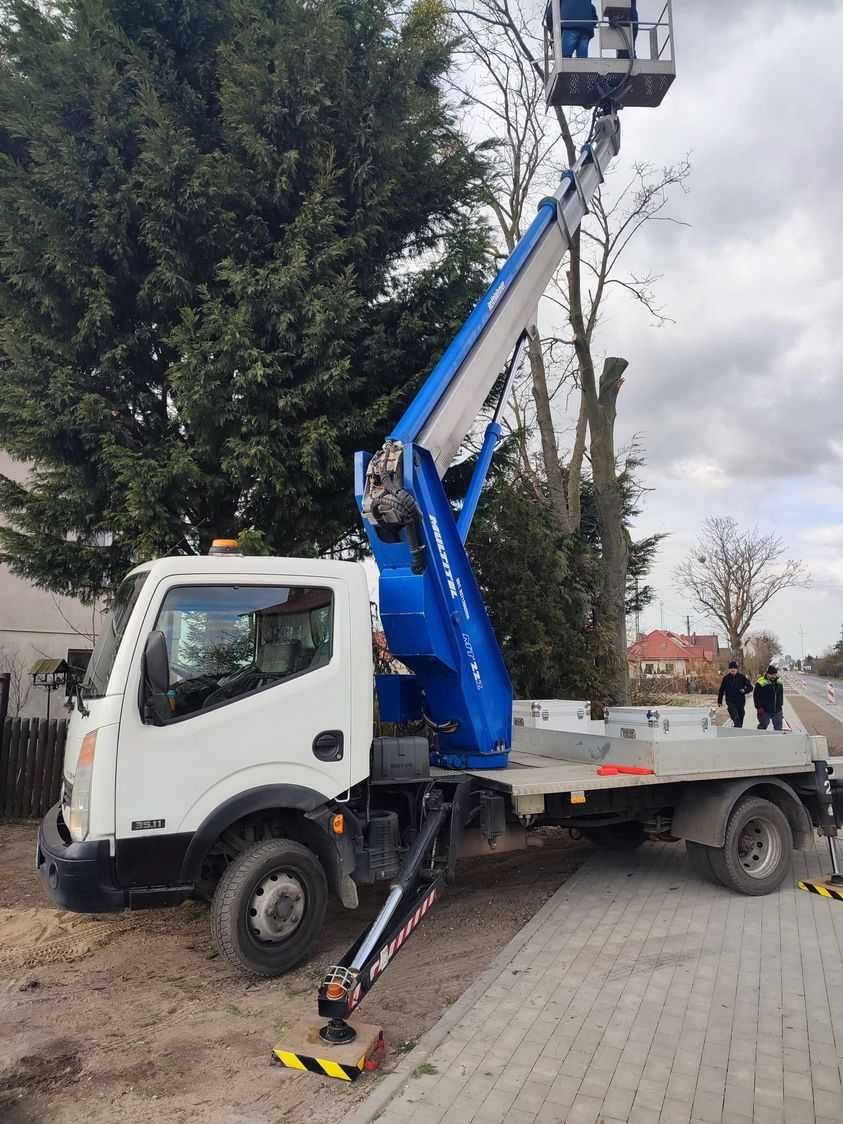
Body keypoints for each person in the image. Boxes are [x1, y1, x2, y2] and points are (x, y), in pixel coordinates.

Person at [717, 659, 753, 728]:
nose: (732, 670)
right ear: (729, 669)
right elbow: (721, 690)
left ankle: (737, 731)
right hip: (730, 702)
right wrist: (719, 701)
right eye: (731, 668)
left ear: (736, 669)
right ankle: (736, 729)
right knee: (736, 718)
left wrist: (744, 690)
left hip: (740, 702)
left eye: (734, 668)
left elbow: (750, 687)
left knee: (740, 718)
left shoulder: (742, 677)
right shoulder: (726, 678)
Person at [754, 664, 784, 731]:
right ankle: (759, 739)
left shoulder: (779, 683)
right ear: (767, 674)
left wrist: (781, 704)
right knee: (762, 726)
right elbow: (756, 696)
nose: (773, 676)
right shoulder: (760, 682)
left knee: (778, 728)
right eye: (771, 674)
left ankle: (777, 740)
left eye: (774, 674)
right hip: (764, 710)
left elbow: (780, 695)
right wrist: (758, 707)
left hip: (777, 710)